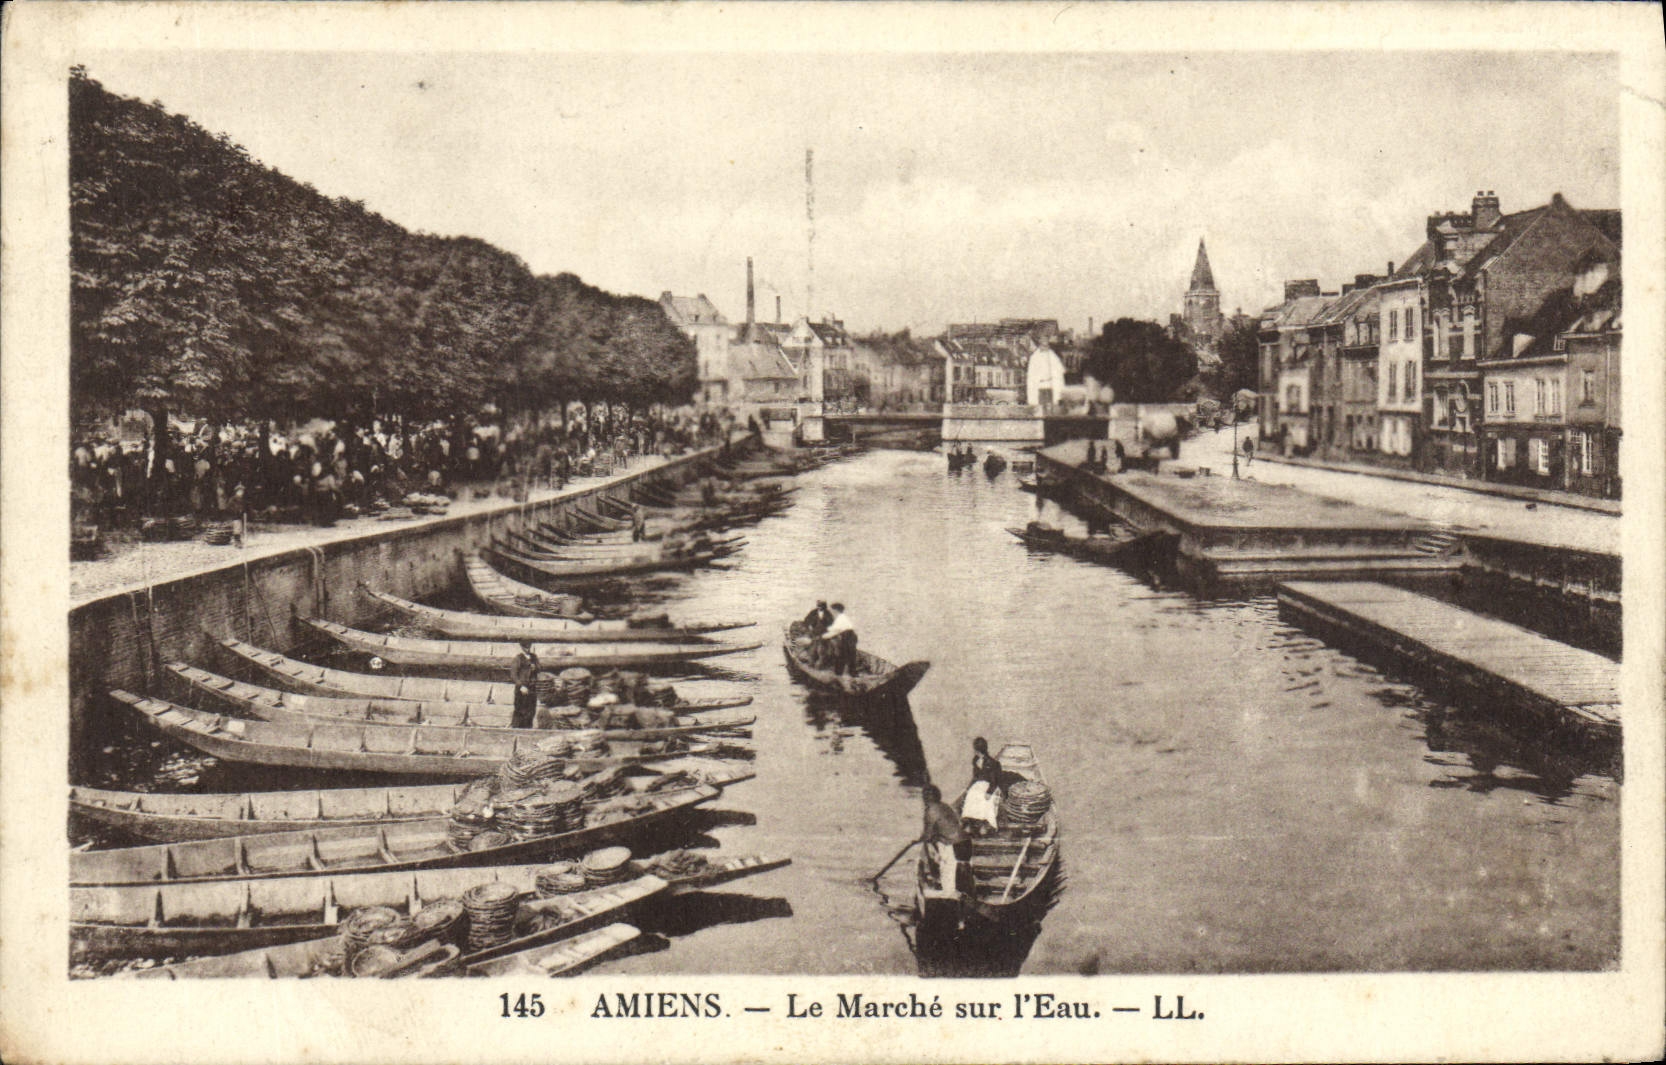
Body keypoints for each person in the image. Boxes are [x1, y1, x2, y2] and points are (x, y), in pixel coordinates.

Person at [921, 784, 970, 892]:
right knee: (960, 873)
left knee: (947, 877)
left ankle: (946, 893)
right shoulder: (945, 806)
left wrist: (922, 839)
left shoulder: (930, 810)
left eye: (925, 796)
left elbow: (928, 835)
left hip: (951, 846)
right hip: (966, 843)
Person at [510, 640, 540, 730]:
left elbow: (540, 668)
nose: (527, 649)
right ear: (522, 647)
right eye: (525, 647)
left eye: (529, 646)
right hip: (522, 688)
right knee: (520, 710)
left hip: (532, 687)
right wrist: (521, 686)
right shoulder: (518, 658)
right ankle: (517, 729)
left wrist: (536, 667)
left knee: (531, 710)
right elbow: (513, 675)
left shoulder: (534, 657)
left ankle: (528, 729)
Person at [822, 602, 857, 675]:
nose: (831, 612)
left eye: (832, 610)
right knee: (851, 654)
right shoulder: (843, 617)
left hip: (847, 636)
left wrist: (822, 636)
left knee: (841, 655)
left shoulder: (840, 618)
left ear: (836, 610)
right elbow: (834, 629)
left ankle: (838, 674)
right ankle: (853, 673)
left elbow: (835, 631)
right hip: (851, 636)